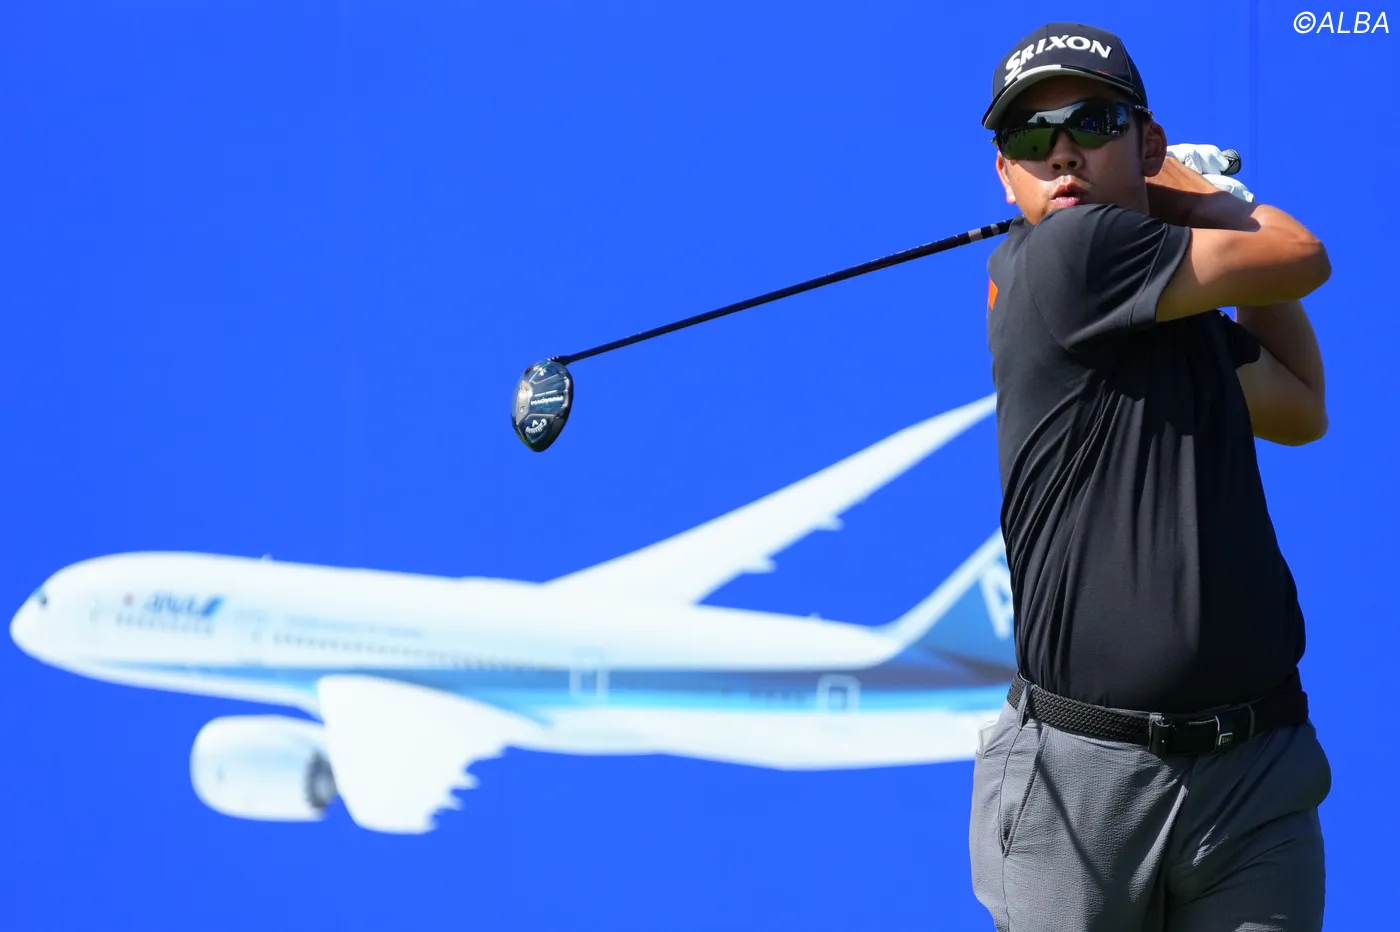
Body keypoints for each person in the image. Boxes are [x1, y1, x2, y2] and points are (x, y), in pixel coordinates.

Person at [970, 21, 1333, 932]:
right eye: (1030, 136)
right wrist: (1208, 200)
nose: (1062, 154)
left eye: (1092, 124)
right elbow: (1301, 255)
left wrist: (1205, 221)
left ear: (1146, 140)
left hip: (1252, 769)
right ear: (1005, 174)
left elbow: (1299, 406)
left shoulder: (1167, 305)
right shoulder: (1071, 258)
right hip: (1082, 784)